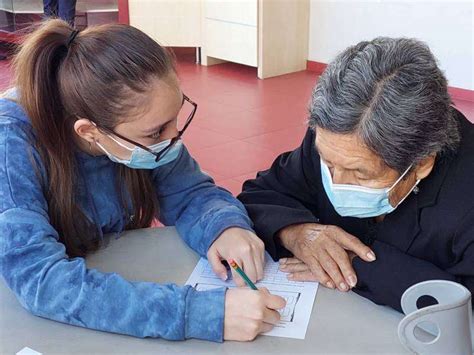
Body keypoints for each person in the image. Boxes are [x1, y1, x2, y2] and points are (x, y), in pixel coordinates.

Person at [0, 20, 285, 342]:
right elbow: (41, 281)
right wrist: (198, 313)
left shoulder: (139, 129)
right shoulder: (10, 143)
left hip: (106, 281)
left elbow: (191, 193)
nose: (174, 138)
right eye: (156, 132)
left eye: (176, 117)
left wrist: (224, 226)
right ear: (88, 131)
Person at [238, 37, 474, 312]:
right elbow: (261, 194)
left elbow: (466, 305)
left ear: (421, 163)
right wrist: (296, 232)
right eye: (329, 163)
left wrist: (357, 265)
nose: (336, 184)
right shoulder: (336, 139)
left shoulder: (466, 198)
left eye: (360, 175)